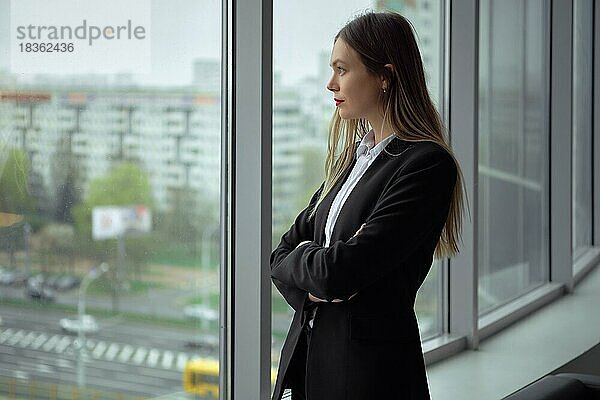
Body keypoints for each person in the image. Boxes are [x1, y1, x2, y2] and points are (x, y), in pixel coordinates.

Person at [270, 11, 465, 400]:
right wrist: (316, 273)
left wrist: (318, 267)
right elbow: (279, 258)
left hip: (370, 380)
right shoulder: (350, 162)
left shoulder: (425, 165)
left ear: (384, 76)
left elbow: (339, 272)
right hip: (308, 369)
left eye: (342, 69)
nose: (330, 84)